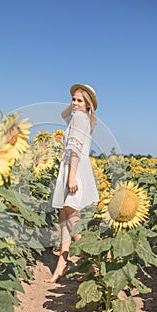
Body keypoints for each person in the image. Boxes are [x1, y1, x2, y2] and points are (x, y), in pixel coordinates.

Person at [45, 83, 99, 283]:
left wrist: (71, 176)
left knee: (72, 218)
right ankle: (64, 262)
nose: (74, 103)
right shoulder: (82, 118)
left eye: (79, 101)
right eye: (73, 99)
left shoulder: (79, 118)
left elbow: (74, 148)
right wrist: (76, 101)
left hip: (73, 168)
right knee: (65, 215)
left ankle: (90, 263)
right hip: (74, 167)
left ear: (88, 105)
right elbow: (63, 114)